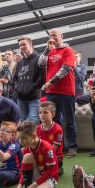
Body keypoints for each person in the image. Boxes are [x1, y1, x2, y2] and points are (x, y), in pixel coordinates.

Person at [38, 29, 78, 158]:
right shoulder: (50, 51)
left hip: (66, 91)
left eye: (54, 35)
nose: (52, 38)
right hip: (51, 91)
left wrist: (51, 81)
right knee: (53, 121)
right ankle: (57, 147)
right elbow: (40, 63)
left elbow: (66, 69)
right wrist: (46, 49)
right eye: (50, 36)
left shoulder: (68, 50)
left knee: (69, 120)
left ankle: (72, 147)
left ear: (61, 36)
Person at [15, 121, 59, 188]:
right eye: (19, 138)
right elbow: (24, 170)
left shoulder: (47, 147)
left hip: (50, 178)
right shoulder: (26, 148)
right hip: (37, 175)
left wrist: (35, 184)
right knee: (27, 156)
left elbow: (51, 172)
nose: (21, 141)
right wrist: (20, 184)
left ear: (34, 136)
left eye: (24, 138)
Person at [12, 36, 44, 123]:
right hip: (20, 98)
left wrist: (32, 87)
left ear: (30, 45)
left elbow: (42, 76)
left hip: (34, 97)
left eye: (24, 44)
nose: (22, 47)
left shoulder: (39, 58)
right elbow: (15, 78)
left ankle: (34, 137)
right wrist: (17, 88)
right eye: (20, 45)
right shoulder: (20, 62)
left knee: (33, 121)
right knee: (23, 122)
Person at [37, 101, 64, 176]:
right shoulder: (37, 128)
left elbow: (53, 149)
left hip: (54, 156)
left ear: (53, 114)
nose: (42, 115)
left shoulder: (58, 129)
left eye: (45, 112)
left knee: (53, 173)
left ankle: (58, 167)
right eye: (40, 112)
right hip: (41, 156)